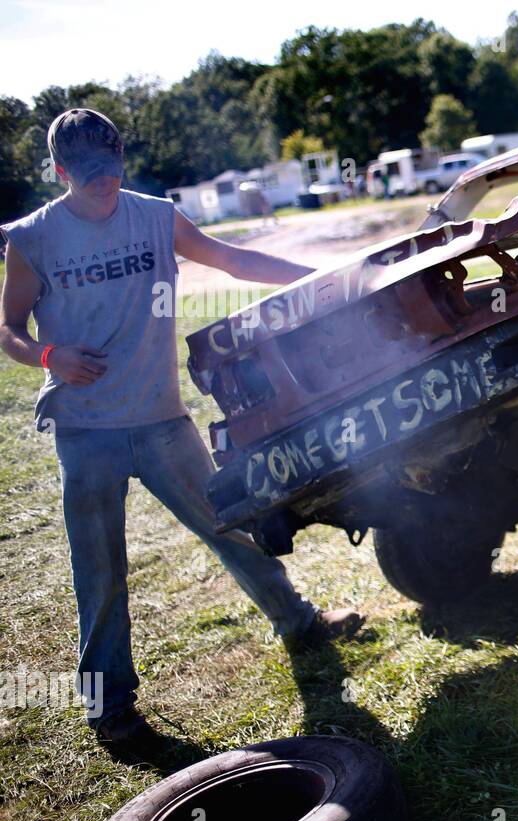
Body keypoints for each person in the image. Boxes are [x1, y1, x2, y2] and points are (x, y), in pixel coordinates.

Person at [0, 109, 362, 748]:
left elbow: (231, 259)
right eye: (90, 178)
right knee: (100, 570)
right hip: (84, 432)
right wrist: (50, 358)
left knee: (232, 525)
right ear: (59, 172)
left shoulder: (155, 216)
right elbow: (8, 329)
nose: (105, 185)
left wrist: (322, 279)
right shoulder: (33, 239)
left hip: (163, 419)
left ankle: (299, 622)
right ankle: (109, 705)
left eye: (112, 171)